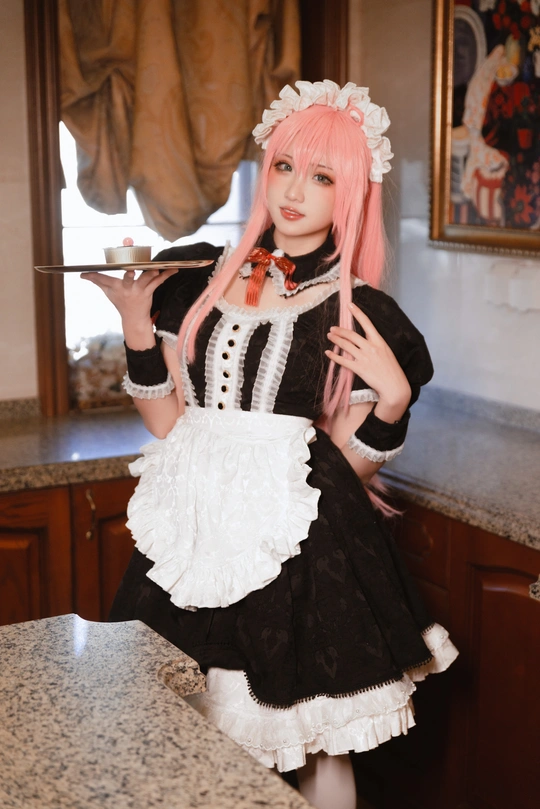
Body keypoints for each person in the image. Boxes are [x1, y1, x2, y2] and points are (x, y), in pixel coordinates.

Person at [83, 80, 458, 809]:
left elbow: (342, 467)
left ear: (351, 194)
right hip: (192, 528)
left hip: (295, 538)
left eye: (322, 177)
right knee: (184, 730)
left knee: (315, 740)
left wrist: (393, 401)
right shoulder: (197, 277)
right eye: (285, 166)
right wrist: (136, 328)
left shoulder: (358, 309)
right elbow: (168, 424)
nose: (294, 190)